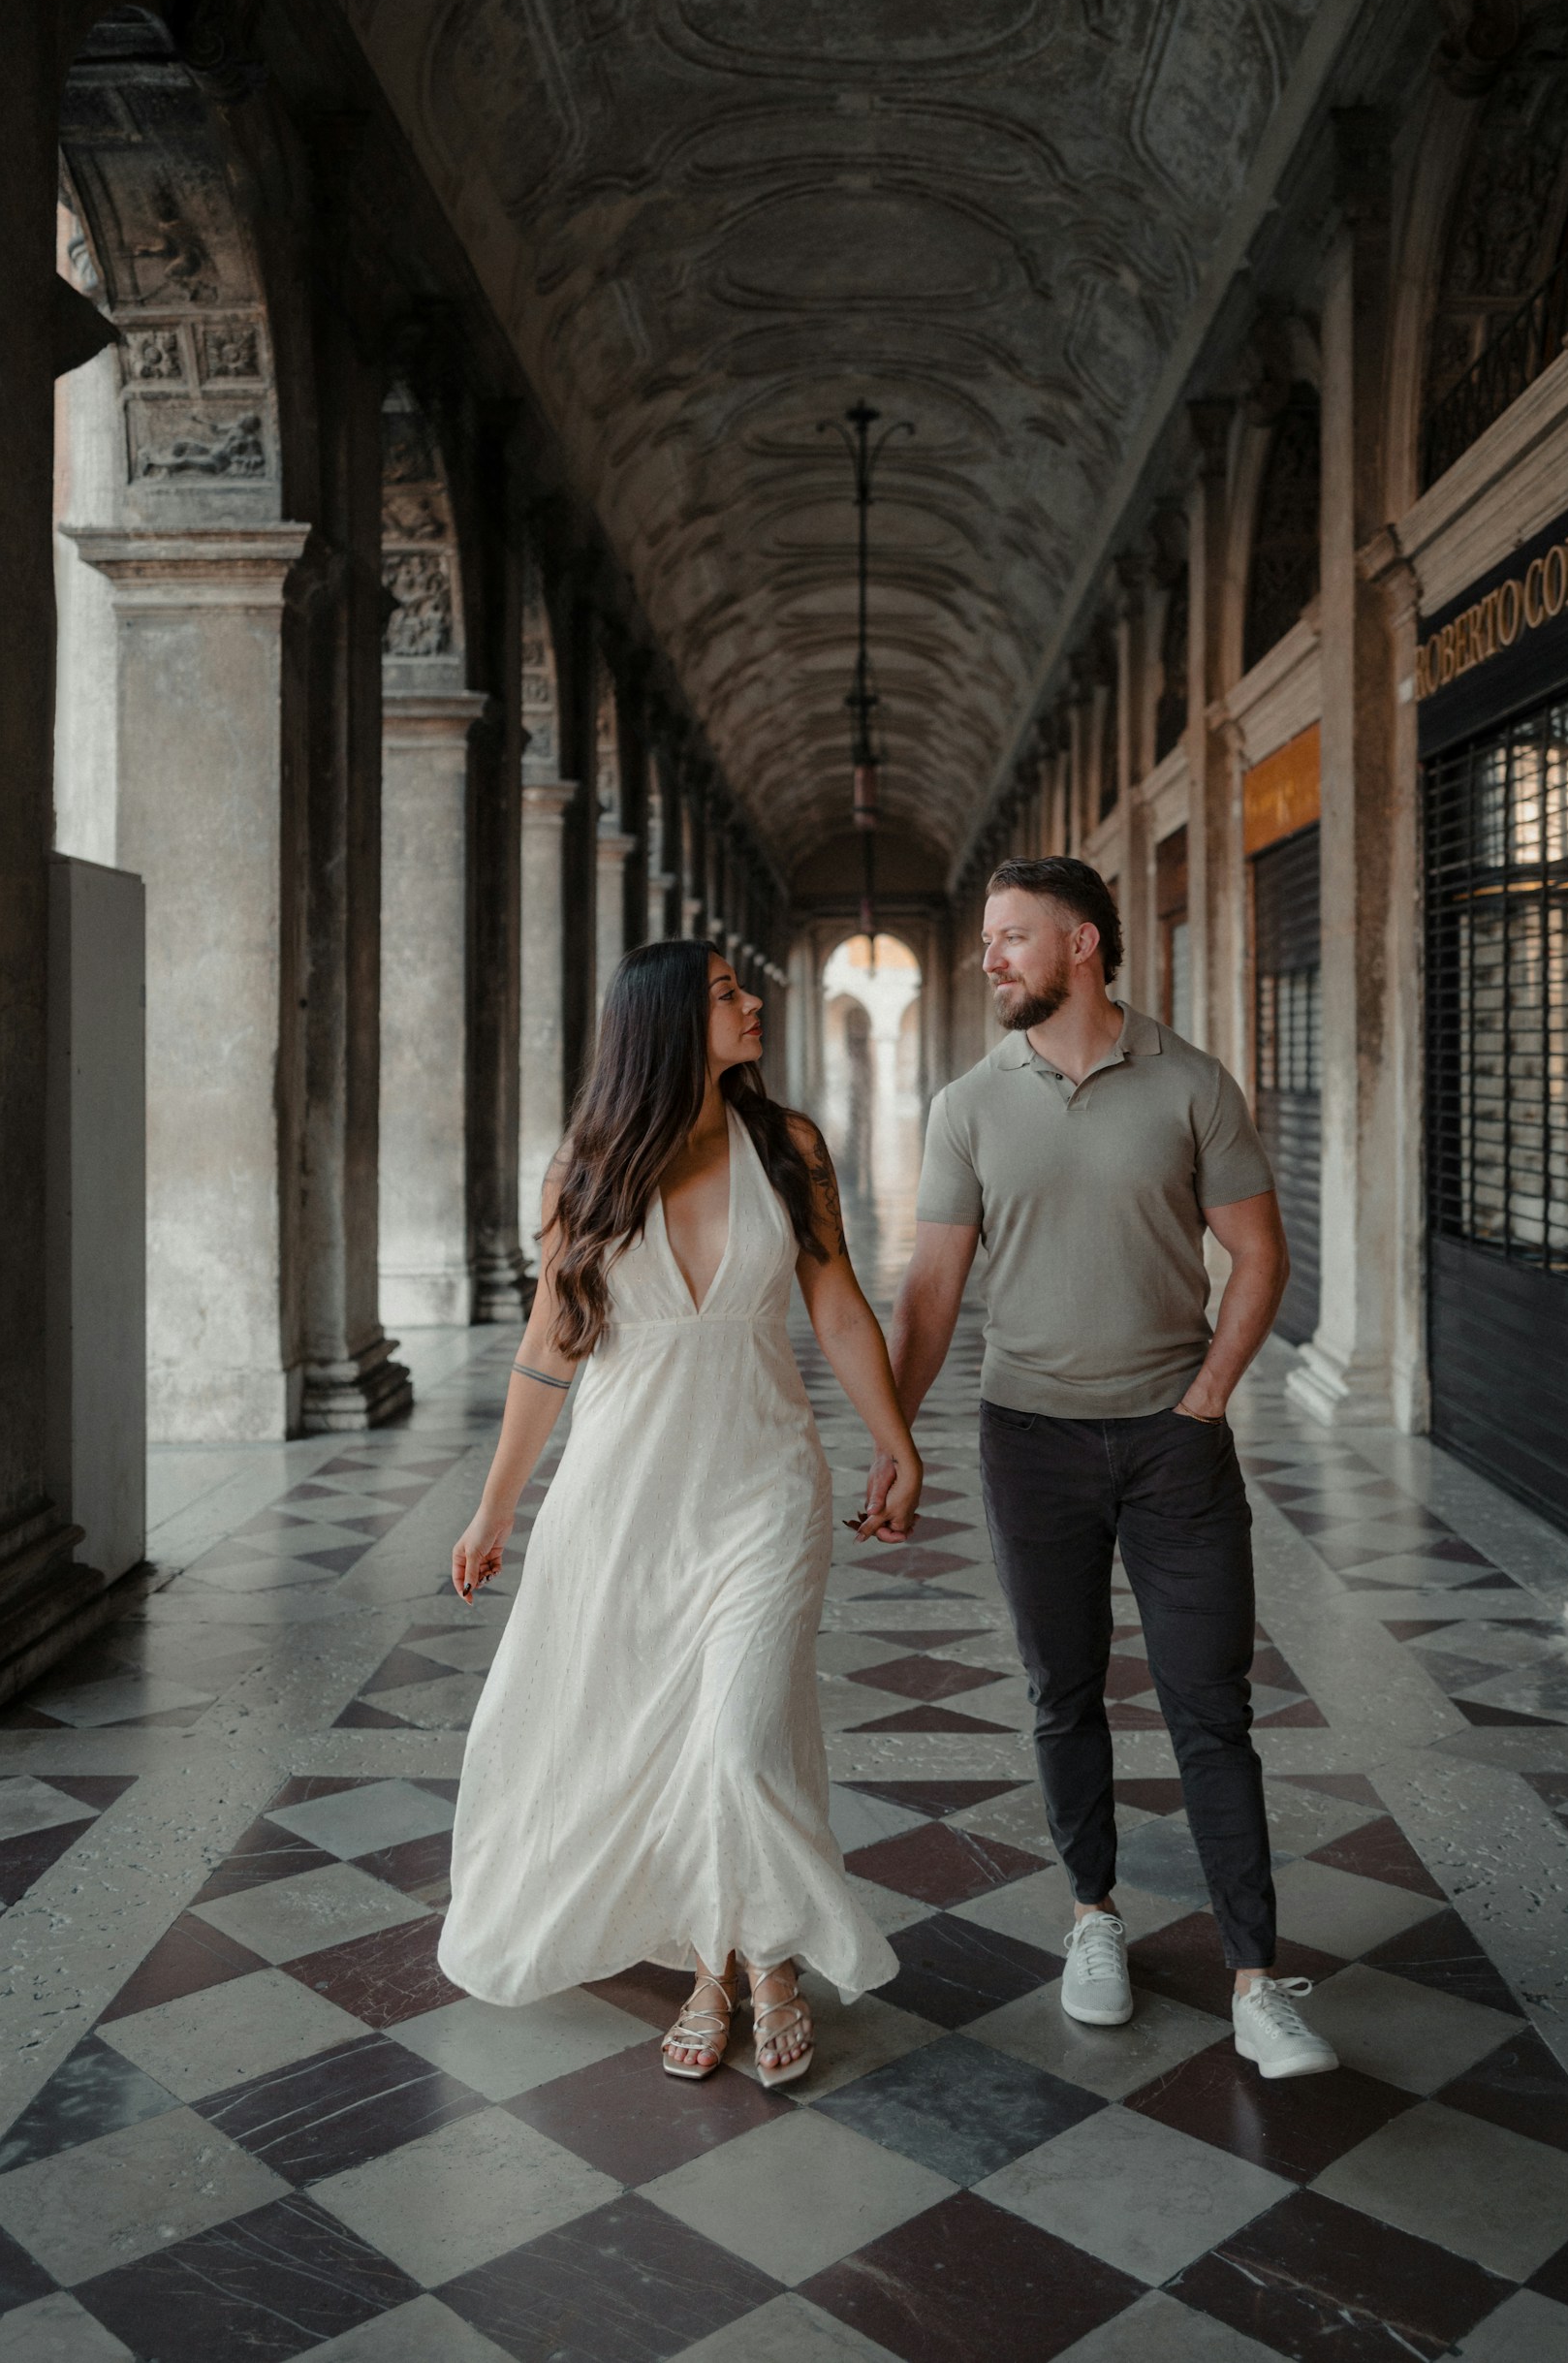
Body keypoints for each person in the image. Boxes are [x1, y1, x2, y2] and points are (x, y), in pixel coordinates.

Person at [886, 858, 1336, 2082]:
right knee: (1061, 1690)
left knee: (1211, 1706)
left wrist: (1204, 1398)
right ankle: (1094, 1917)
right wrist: (896, 1433)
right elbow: (931, 1290)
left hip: (1172, 1443)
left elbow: (1258, 1253)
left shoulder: (1190, 1082)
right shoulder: (969, 1103)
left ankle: (1256, 1976)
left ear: (1083, 944)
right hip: (1027, 1439)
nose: (991, 958)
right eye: (987, 938)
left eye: (1012, 937)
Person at [441, 940, 922, 2088]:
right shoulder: (585, 1170)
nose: (752, 1002)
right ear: (663, 1019)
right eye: (725, 993)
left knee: (743, 1735)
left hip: (765, 1482)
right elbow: (550, 1348)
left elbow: (840, 1308)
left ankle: (765, 1963)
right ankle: (732, 1964)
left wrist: (896, 1437)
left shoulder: (787, 1145)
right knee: (669, 1736)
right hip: (626, 1497)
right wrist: (495, 1504)